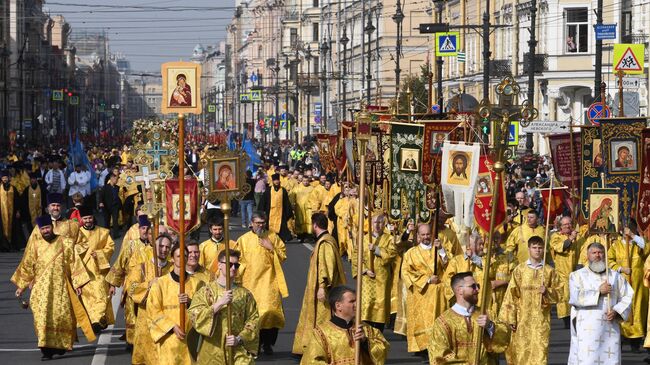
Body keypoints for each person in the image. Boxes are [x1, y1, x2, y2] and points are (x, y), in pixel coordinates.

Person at [11, 215, 91, 361]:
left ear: (52, 227)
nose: (46, 231)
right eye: (43, 229)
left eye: (47, 227)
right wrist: (21, 287)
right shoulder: (35, 245)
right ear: (39, 230)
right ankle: (46, 350)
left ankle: (59, 346)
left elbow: (74, 263)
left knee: (61, 316)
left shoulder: (65, 242)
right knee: (42, 319)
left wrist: (78, 283)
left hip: (61, 287)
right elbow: (27, 265)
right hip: (40, 290)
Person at [188, 249, 259, 364]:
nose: (233, 268)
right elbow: (195, 316)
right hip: (212, 351)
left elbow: (253, 320)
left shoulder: (245, 294)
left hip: (237, 351)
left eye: (236, 265)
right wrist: (219, 303)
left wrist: (239, 338)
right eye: (230, 264)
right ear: (220, 265)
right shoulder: (206, 291)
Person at [499, 236, 562, 365]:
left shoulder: (549, 271)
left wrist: (548, 292)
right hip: (522, 319)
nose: (537, 250)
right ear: (529, 249)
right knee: (521, 352)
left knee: (540, 352)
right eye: (534, 248)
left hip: (541, 320)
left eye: (540, 248)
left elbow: (560, 294)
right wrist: (511, 317)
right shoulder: (520, 270)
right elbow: (511, 295)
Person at [568, 242, 633, 364]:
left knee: (609, 360)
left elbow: (627, 295)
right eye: (594, 253)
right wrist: (598, 292)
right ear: (588, 256)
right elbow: (575, 297)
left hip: (609, 328)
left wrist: (617, 311)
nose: (597, 255)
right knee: (587, 360)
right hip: (587, 328)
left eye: (600, 253)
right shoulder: (577, 276)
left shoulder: (615, 277)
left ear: (605, 255)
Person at [292, 212, 346, 355]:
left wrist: (322, 286)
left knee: (323, 318)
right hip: (317, 286)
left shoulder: (325, 243)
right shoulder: (327, 240)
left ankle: (323, 348)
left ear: (314, 225)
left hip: (323, 289)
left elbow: (327, 265)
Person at [428, 272, 510, 364]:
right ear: (460, 290)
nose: (478, 289)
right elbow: (439, 356)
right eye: (473, 286)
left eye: (478, 286)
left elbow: (504, 341)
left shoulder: (488, 315)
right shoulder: (443, 322)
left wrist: (490, 326)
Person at [236, 212, 289, 355]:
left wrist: (271, 248)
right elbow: (237, 261)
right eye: (257, 222)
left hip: (269, 282)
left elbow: (283, 255)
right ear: (251, 223)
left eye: (262, 222)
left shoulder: (272, 237)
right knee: (253, 315)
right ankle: (255, 344)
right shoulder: (243, 240)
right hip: (250, 282)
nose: (260, 225)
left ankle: (268, 343)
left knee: (270, 312)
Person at [401, 223, 454, 358]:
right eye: (423, 234)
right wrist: (427, 280)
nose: (426, 237)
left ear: (432, 234)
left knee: (437, 322)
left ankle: (437, 349)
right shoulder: (411, 253)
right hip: (420, 294)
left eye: (428, 234)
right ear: (418, 236)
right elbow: (406, 273)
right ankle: (422, 349)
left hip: (437, 294)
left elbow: (450, 266)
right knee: (422, 322)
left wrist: (441, 250)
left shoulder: (439, 249)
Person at [301, 286, 390, 364]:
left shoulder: (367, 329)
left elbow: (383, 351)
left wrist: (365, 342)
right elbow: (312, 361)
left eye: (357, 301)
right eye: (352, 301)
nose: (357, 304)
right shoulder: (320, 334)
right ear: (338, 306)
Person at [148, 242, 204, 365]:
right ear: (172, 259)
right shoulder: (160, 283)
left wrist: (190, 302)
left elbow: (205, 309)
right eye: (179, 256)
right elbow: (153, 310)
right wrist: (172, 326)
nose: (182, 259)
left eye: (185, 255)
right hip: (169, 338)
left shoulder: (198, 283)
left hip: (191, 338)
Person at [105, 215, 152, 347]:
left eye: (147, 228)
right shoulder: (131, 245)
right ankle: (131, 342)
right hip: (132, 287)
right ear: (139, 229)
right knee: (132, 315)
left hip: (150, 288)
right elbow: (120, 264)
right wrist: (113, 284)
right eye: (142, 228)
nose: (145, 231)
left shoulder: (156, 247)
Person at [126, 232, 173, 365]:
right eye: (161, 246)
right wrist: (149, 284)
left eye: (167, 247)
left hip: (166, 318)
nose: (164, 250)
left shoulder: (173, 268)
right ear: (154, 247)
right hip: (145, 319)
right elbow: (132, 288)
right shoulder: (142, 267)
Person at [352, 213, 397, 331]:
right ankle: (366, 334)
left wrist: (377, 250)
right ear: (371, 223)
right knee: (367, 308)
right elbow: (356, 257)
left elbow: (392, 255)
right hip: (367, 279)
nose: (377, 225)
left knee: (380, 309)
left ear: (384, 224)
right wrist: (364, 270)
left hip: (382, 279)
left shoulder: (389, 239)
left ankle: (379, 334)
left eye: (380, 222)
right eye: (375, 222)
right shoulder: (364, 239)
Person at [608, 221, 647, 352]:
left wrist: (632, 235)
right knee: (622, 310)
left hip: (638, 286)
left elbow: (647, 248)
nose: (628, 232)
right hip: (621, 286)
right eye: (626, 229)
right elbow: (609, 261)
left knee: (637, 312)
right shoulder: (616, 245)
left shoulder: (638, 244)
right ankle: (620, 341)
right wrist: (621, 269)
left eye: (631, 229)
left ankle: (635, 343)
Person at [77, 205, 115, 333]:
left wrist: (99, 254)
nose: (88, 221)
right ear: (82, 219)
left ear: (93, 217)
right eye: (85, 218)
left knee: (101, 297)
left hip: (99, 271)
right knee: (88, 300)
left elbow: (110, 247)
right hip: (84, 272)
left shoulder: (103, 232)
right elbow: (72, 250)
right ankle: (94, 322)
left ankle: (97, 321)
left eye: (89, 218)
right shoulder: (77, 233)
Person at [443, 232, 498, 315]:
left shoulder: (487, 261)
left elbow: (491, 273)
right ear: (470, 246)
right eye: (479, 244)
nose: (482, 247)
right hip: (462, 306)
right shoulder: (456, 261)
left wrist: (475, 259)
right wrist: (459, 295)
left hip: (482, 304)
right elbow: (447, 281)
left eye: (482, 244)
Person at [550, 216, 582, 328]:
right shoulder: (556, 236)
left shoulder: (577, 237)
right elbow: (560, 248)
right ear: (560, 226)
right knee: (564, 296)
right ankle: (567, 321)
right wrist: (571, 238)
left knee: (576, 295)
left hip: (575, 271)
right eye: (565, 225)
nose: (568, 226)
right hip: (562, 272)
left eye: (569, 224)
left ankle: (576, 317)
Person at [258, 173, 294, 242]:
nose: (276, 182)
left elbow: (286, 202)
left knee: (281, 226)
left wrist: (289, 212)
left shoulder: (283, 190)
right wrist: (261, 211)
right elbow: (263, 201)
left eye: (277, 180)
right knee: (269, 226)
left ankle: (281, 239)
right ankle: (270, 238)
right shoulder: (268, 190)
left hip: (281, 212)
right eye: (275, 180)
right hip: (270, 212)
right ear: (273, 181)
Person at [0, 170, 23, 251]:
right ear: (1, 179)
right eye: (3, 178)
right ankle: (4, 247)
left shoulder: (13, 188)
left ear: (9, 178)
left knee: (14, 229)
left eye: (6, 177)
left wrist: (18, 211)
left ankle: (12, 246)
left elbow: (17, 200)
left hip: (12, 213)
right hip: (1, 213)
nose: (5, 179)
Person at [290, 174, 315, 239]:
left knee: (309, 220)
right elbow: (292, 196)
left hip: (308, 207)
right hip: (299, 208)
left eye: (307, 181)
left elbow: (315, 198)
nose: (305, 182)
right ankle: (300, 234)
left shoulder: (311, 188)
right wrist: (292, 204)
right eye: (304, 181)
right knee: (299, 220)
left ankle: (309, 234)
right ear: (301, 181)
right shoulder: (297, 188)